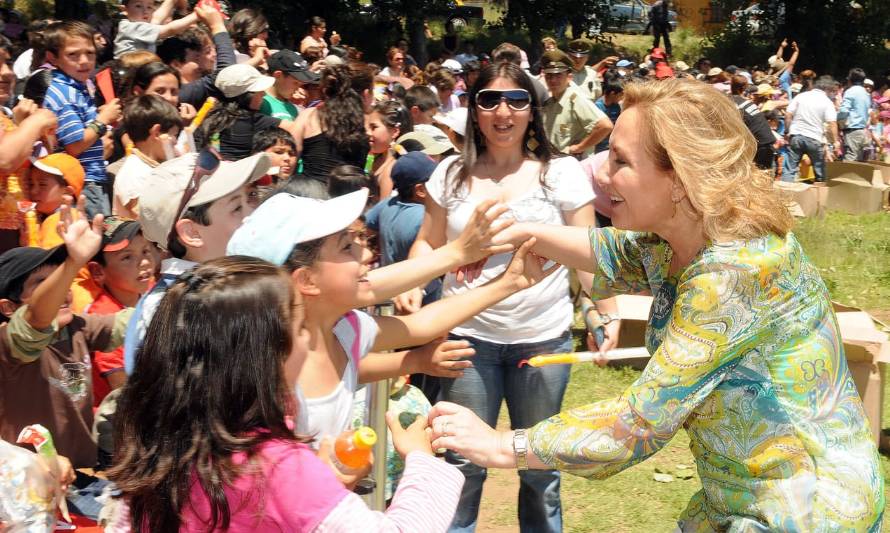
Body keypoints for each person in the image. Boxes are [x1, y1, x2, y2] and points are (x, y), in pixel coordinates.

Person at [427, 77, 884, 532]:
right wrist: (515, 236)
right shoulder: (681, 239)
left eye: (621, 161)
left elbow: (638, 424)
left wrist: (503, 445)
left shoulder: (733, 273)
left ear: (683, 177)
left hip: (802, 510)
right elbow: (607, 250)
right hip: (750, 497)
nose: (602, 173)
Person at [409, 62, 618, 533]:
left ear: (533, 110)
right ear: (474, 109)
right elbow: (428, 241)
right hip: (467, 339)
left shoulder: (559, 172)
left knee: (540, 467)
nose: (503, 111)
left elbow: (589, 251)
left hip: (542, 340)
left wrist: (602, 312)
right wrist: (410, 284)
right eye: (490, 100)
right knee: (461, 464)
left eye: (517, 100)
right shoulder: (450, 173)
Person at [108, 256, 465, 532]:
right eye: (299, 328)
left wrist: (320, 482)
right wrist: (422, 461)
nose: (309, 340)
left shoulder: (162, 440)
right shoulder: (277, 465)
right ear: (265, 356)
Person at [0, 209, 131, 468]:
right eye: (43, 284)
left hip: (83, 471)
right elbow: (35, 320)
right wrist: (72, 263)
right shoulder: (8, 344)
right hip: (31, 484)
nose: (63, 292)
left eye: (63, 280)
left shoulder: (76, 327)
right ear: (8, 308)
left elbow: (134, 322)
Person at [122, 151, 270, 374]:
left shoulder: (236, 282)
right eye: (236, 208)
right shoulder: (176, 312)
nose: (254, 213)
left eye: (251, 197)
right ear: (191, 232)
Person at [42, 21, 122, 218]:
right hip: (84, 181)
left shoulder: (77, 87)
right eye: (73, 55)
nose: (84, 60)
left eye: (90, 53)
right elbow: (75, 145)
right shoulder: (66, 93)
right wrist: (102, 119)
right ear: (53, 58)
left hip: (90, 178)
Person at [85, 218, 155, 407]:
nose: (145, 262)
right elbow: (124, 392)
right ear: (98, 271)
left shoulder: (150, 291)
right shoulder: (103, 318)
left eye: (146, 251)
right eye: (127, 257)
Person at [195, 63, 299, 160]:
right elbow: (296, 128)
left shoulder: (210, 115)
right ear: (247, 96)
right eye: (260, 91)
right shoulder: (251, 120)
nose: (264, 94)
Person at [291, 62, 374, 184]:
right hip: (349, 196)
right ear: (366, 94)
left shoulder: (308, 116)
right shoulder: (371, 123)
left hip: (308, 194)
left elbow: (291, 156)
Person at [113, 95, 182, 219]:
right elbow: (146, 221)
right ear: (156, 133)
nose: (176, 141)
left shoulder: (159, 167)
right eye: (173, 135)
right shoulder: (135, 174)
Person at [540, 50, 612, 159]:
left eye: (558, 75)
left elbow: (605, 126)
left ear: (569, 77)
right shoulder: (551, 103)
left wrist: (579, 148)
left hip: (573, 167)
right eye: (549, 75)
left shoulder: (576, 100)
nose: (553, 80)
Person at [783, 75, 839, 182]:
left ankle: (783, 195)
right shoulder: (827, 102)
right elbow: (832, 123)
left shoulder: (801, 96)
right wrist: (835, 141)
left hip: (796, 136)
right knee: (820, 174)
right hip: (814, 138)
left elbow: (788, 114)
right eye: (831, 91)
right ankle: (819, 196)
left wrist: (787, 131)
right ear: (827, 89)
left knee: (789, 170)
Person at [113, 0, 198, 57]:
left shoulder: (140, 25)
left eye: (149, 7)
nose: (145, 11)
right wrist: (198, 14)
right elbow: (170, 29)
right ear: (124, 9)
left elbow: (157, 17)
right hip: (129, 75)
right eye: (138, 6)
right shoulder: (130, 27)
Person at [367, 99, 412, 200]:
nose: (368, 132)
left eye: (374, 127)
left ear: (395, 131)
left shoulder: (391, 169)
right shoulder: (374, 157)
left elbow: (383, 211)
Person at [124, 61, 197, 121]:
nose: (169, 98)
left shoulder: (183, 124)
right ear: (138, 92)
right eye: (159, 91)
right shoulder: (127, 129)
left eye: (174, 92)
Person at [729, 75, 776, 169]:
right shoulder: (746, 102)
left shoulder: (732, 103)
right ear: (744, 88)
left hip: (760, 145)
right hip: (766, 142)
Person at [261, 50, 319, 121]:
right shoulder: (260, 103)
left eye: (300, 84)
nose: (298, 88)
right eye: (295, 83)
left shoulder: (292, 107)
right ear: (278, 75)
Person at [839, 67, 872, 162]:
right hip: (862, 131)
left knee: (849, 160)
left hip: (852, 131)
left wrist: (840, 125)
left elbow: (843, 111)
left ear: (850, 80)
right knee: (859, 162)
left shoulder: (850, 92)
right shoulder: (866, 94)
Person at [594, 78, 623, 153]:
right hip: (599, 146)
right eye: (620, 95)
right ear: (612, 94)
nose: (622, 98)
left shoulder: (616, 106)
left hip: (612, 143)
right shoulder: (598, 107)